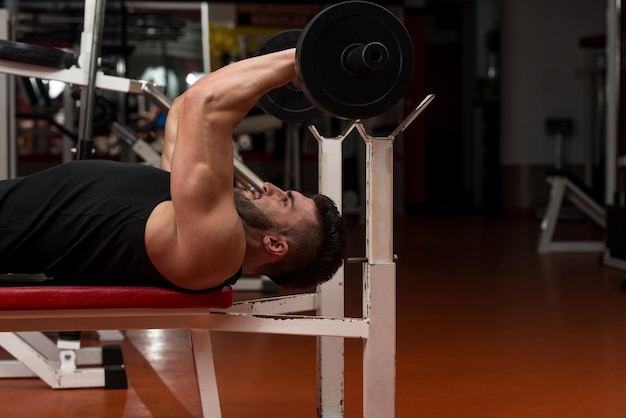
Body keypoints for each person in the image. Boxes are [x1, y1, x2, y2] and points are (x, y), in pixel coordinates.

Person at [0, 49, 347, 292]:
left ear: (274, 244)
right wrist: (300, 61)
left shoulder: (216, 252)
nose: (270, 186)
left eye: (284, 201)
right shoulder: (192, 221)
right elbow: (185, 108)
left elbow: (207, 104)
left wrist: (312, 56)